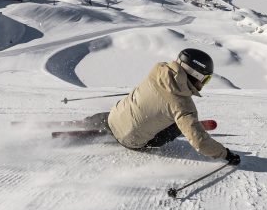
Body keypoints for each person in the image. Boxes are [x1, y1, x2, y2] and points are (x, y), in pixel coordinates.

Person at [84, 49, 241, 164]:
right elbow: (200, 143)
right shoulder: (183, 106)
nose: (203, 84)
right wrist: (225, 154)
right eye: (205, 80)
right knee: (178, 123)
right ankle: (185, 127)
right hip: (132, 140)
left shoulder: (158, 69)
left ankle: (87, 121)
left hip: (114, 117)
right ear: (196, 75)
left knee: (131, 107)